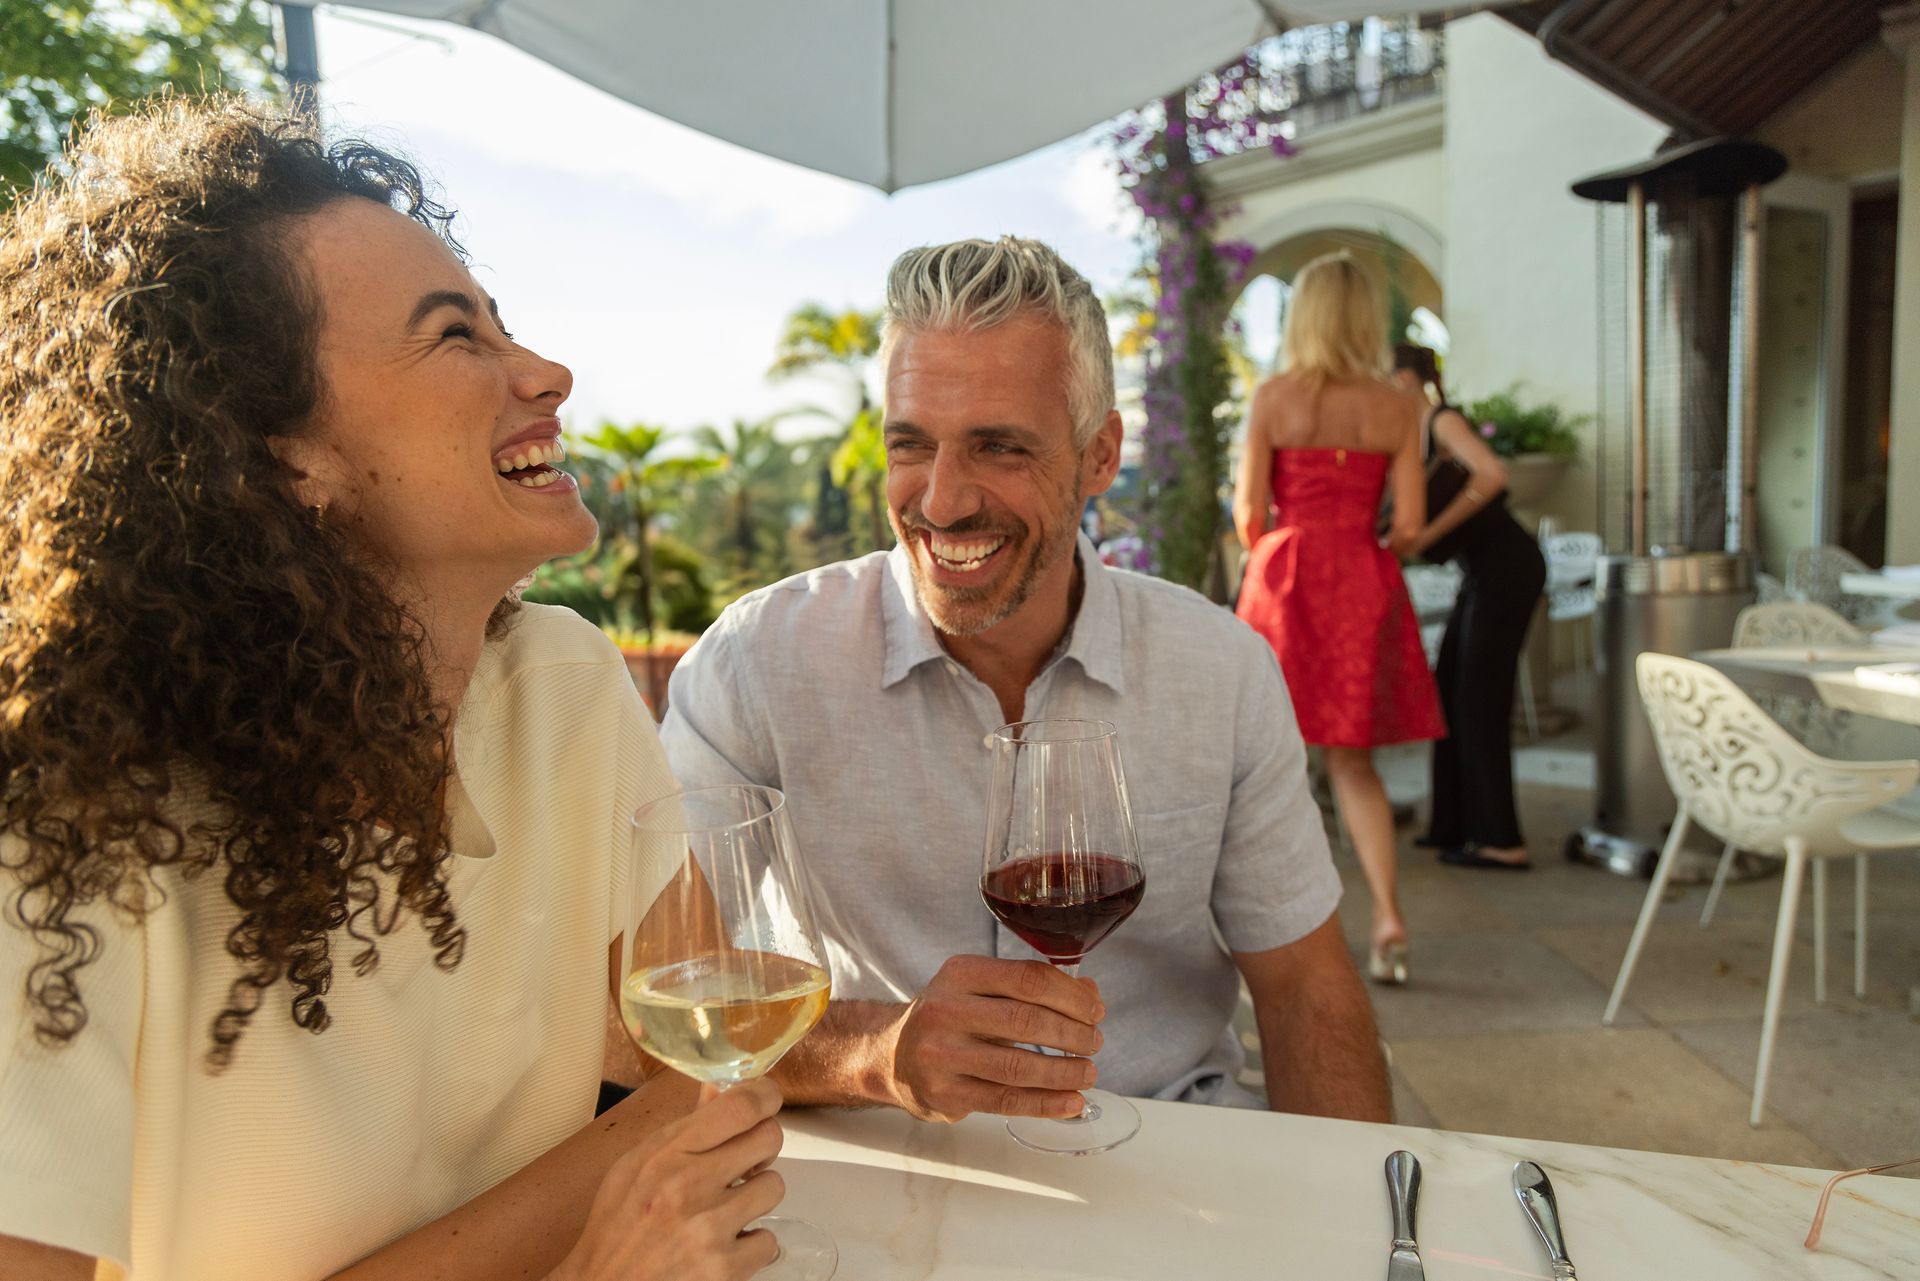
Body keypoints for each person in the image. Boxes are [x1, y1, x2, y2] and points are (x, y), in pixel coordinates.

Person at [0, 97, 786, 1281]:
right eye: (456, 336)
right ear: (274, 453)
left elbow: (709, 1073)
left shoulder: (563, 686)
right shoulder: (69, 817)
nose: (548, 371)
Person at [662, 237, 1391, 1124]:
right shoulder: (756, 663)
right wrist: (875, 1052)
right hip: (888, 1171)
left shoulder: (1222, 671)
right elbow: (657, 998)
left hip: (1166, 1153)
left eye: (999, 447)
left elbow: (1306, 988)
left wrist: (1361, 1224)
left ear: (1099, 453)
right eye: (911, 444)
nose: (941, 501)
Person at [1231, 253, 1445, 988]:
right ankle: (1388, 919)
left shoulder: (1273, 397)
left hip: (1286, 578)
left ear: (1305, 316)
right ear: (1364, 319)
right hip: (1361, 575)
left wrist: (1275, 547)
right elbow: (1411, 524)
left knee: (1263, 758)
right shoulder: (1398, 405)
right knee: (1354, 764)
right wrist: (1364, 542)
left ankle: (1268, 931)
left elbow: (1248, 513)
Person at [1391, 344, 1547, 870]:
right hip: (1480, 574)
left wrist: (1428, 533)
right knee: (1449, 689)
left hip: (1509, 569)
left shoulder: (1442, 420)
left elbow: (1493, 474)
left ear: (1407, 380)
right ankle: (1453, 824)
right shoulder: (1412, 437)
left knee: (1479, 698)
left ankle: (1502, 839)